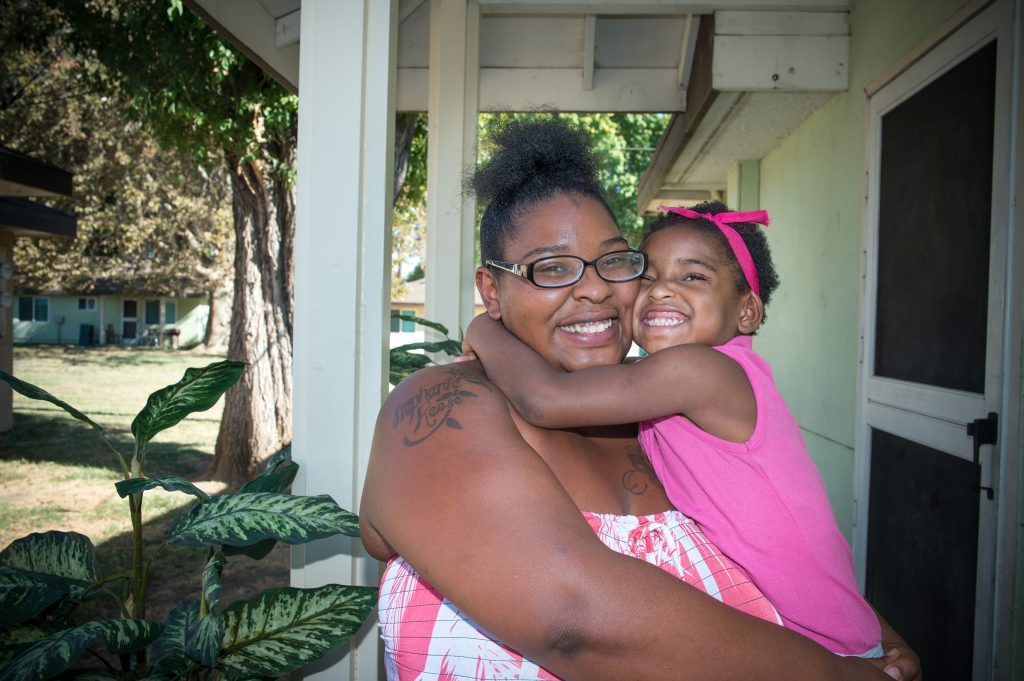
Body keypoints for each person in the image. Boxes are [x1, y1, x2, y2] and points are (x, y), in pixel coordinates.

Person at [359, 116, 919, 681]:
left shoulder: (661, 411)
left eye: (614, 261)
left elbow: (787, 535)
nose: (597, 288)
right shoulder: (445, 405)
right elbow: (572, 618)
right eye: (553, 267)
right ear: (490, 290)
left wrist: (877, 639)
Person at [463, 201, 883, 659]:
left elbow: (545, 400)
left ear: (746, 311)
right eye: (648, 276)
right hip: (789, 633)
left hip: (821, 643)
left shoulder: (702, 372)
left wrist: (485, 328)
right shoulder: (660, 380)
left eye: (693, 277)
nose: (661, 291)